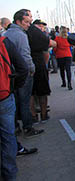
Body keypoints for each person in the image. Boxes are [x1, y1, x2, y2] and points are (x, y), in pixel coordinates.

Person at [3, 9, 44, 138]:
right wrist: (32, 69)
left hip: (9, 74)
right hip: (23, 73)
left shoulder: (6, 34)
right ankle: (28, 127)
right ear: (19, 21)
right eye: (26, 22)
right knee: (24, 102)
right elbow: (25, 56)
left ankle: (15, 127)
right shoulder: (21, 35)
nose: (29, 24)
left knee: (14, 102)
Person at [0, 35, 28, 180]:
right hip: (4, 97)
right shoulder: (3, 42)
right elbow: (23, 68)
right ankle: (9, 175)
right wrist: (12, 87)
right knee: (8, 137)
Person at [27, 19, 56, 123]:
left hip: (29, 65)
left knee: (31, 93)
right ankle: (43, 115)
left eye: (43, 26)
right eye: (40, 26)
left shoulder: (24, 33)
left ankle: (34, 116)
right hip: (39, 65)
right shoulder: (38, 34)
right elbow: (52, 44)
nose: (42, 28)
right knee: (42, 92)